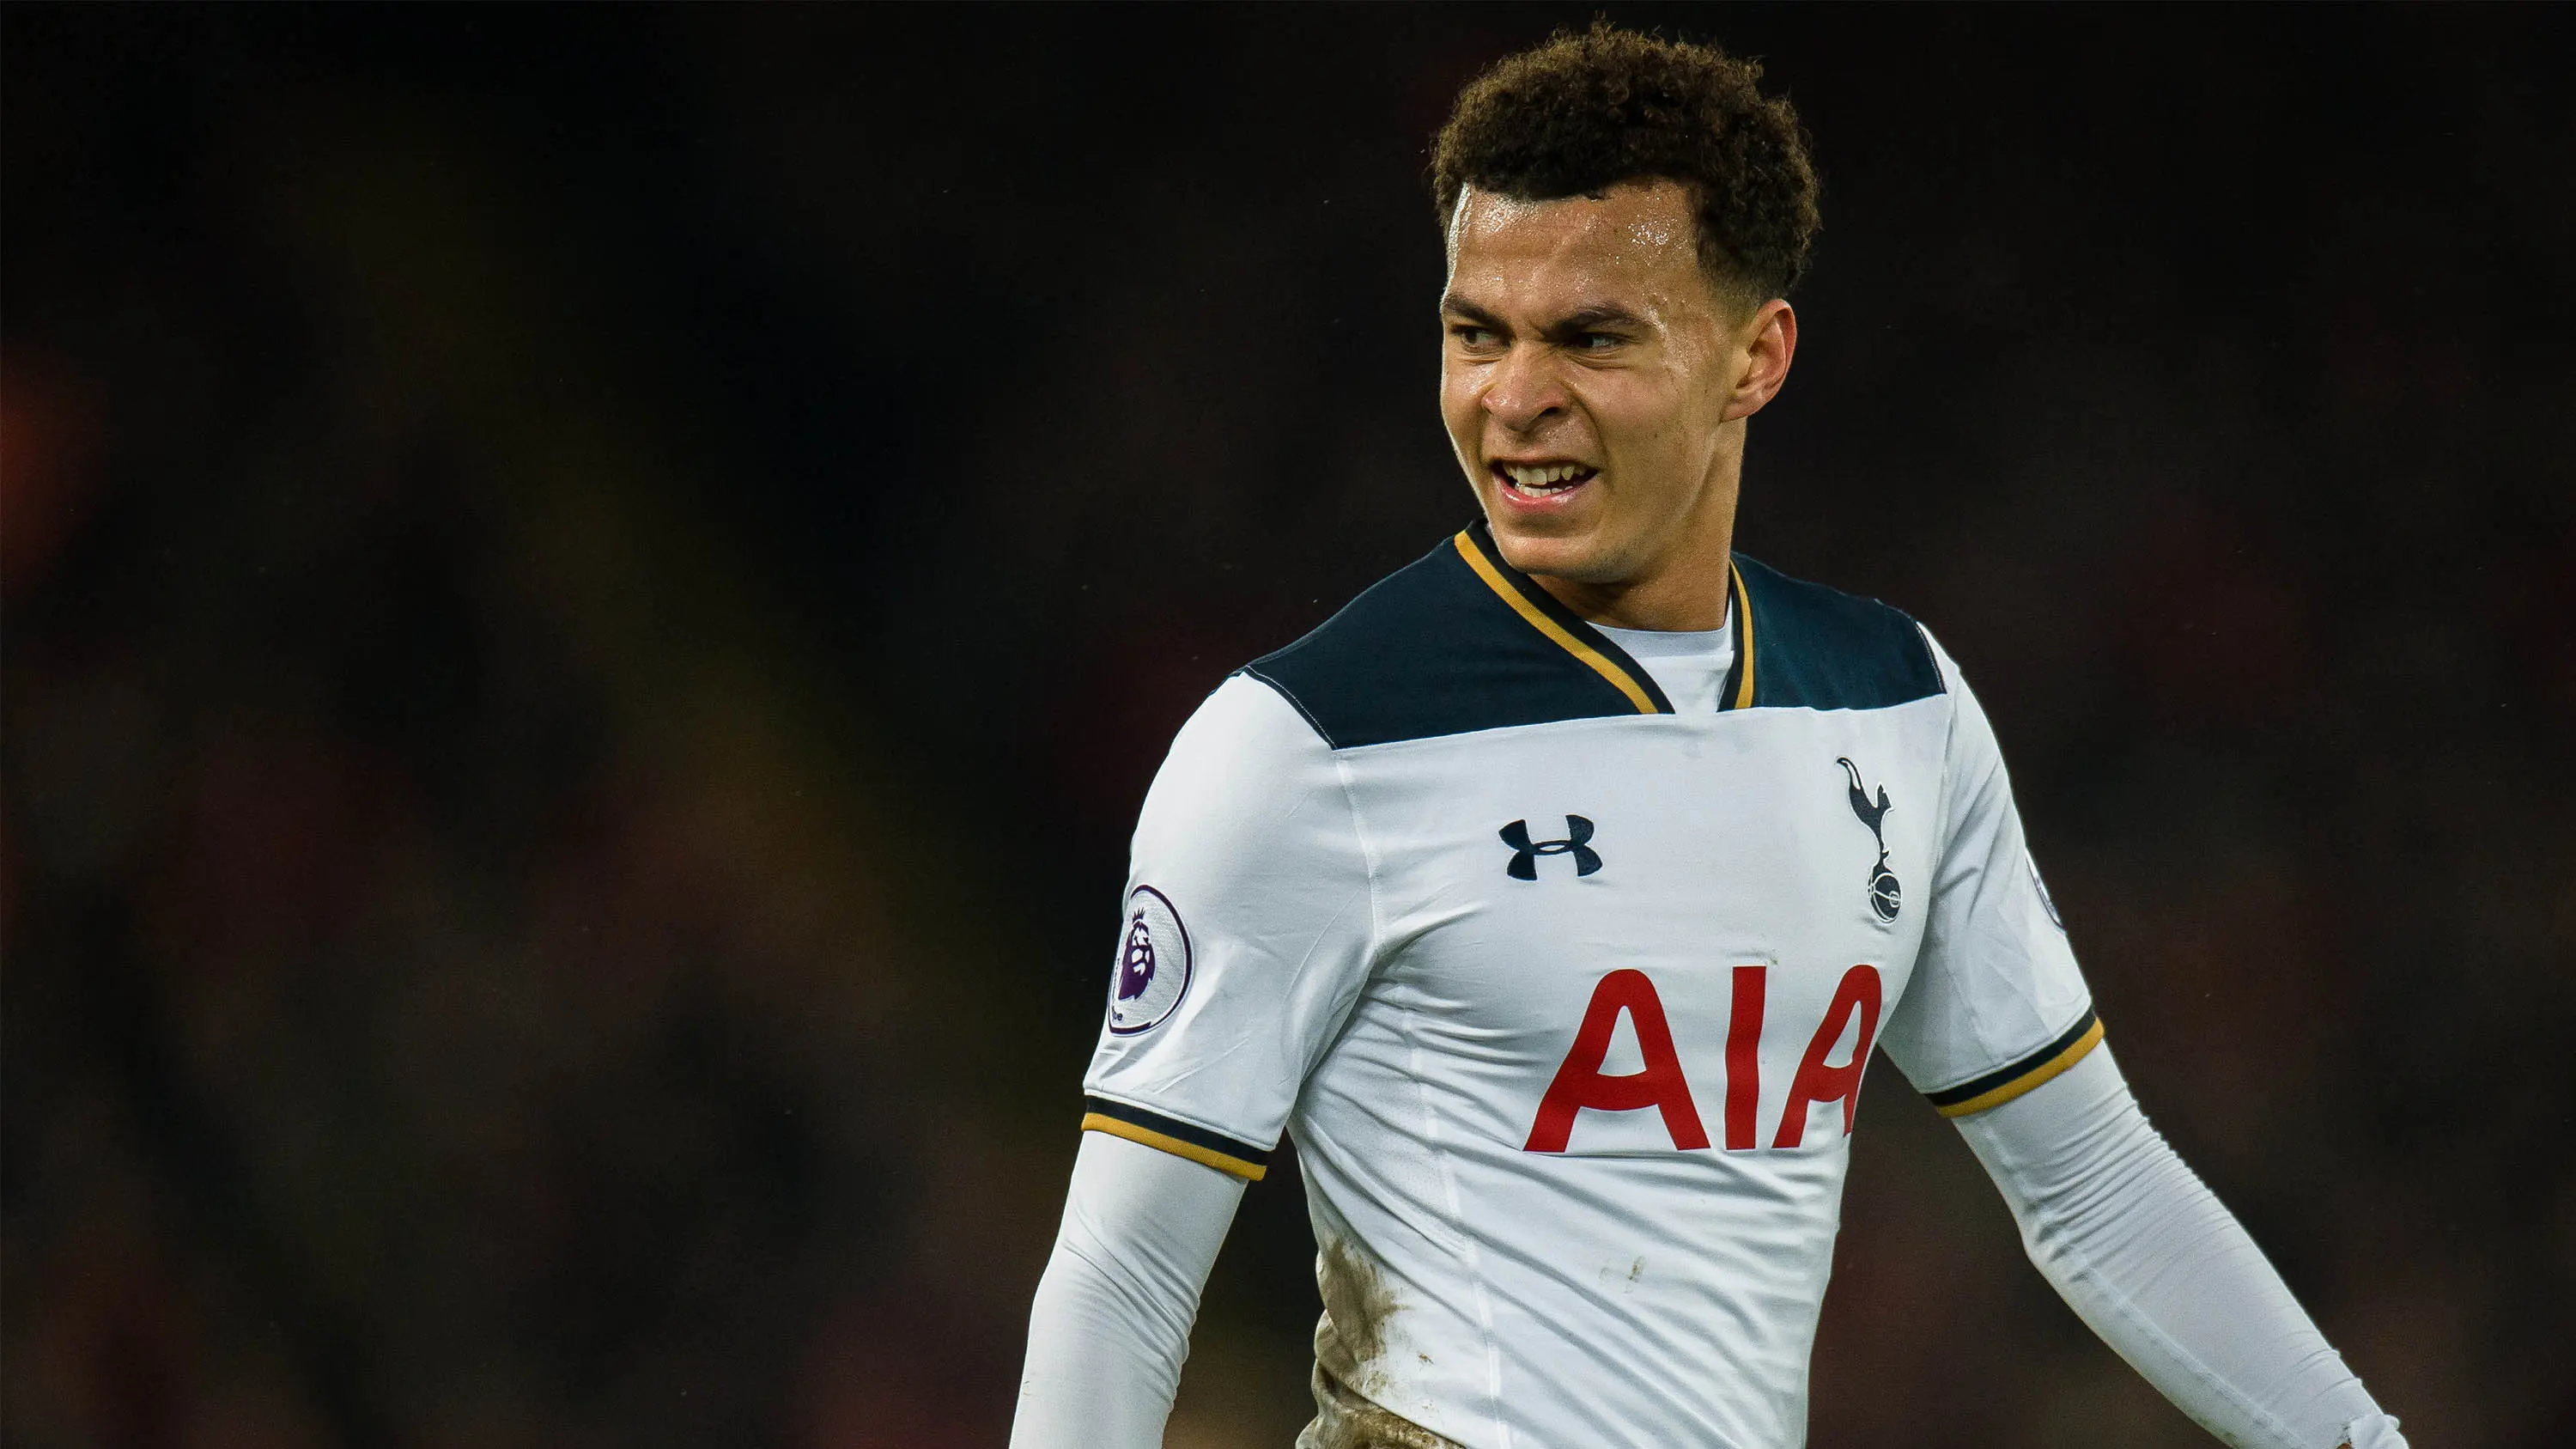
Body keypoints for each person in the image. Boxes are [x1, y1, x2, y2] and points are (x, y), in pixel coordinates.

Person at [1011, 25, 2405, 1449]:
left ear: (1757, 357)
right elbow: (1124, 1272)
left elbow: (2096, 1184)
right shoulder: (1307, 746)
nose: (1514, 396)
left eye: (1593, 337)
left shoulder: (1895, 704)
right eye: (1475, 330)